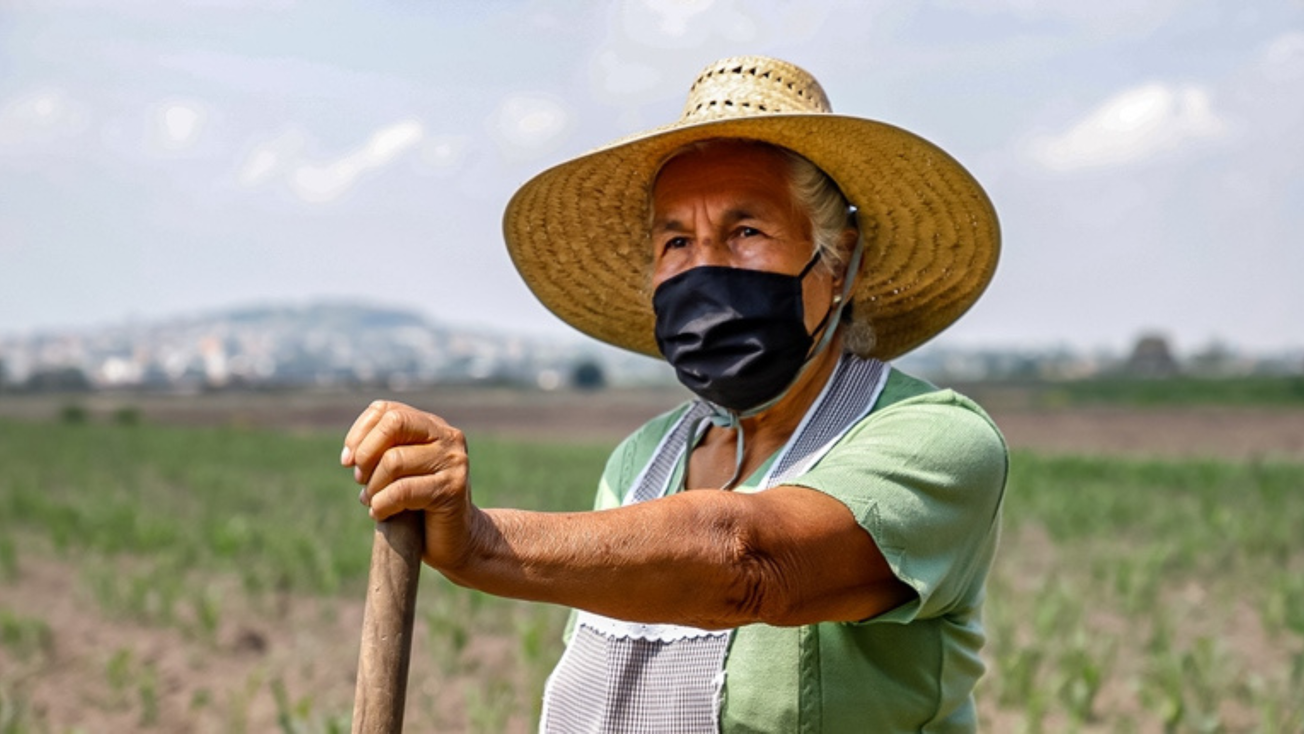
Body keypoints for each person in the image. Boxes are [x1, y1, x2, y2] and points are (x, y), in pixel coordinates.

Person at [341, 56, 1007, 732]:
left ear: (839, 261)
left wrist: (483, 542)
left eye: (746, 232)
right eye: (677, 241)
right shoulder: (641, 462)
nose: (706, 267)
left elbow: (749, 562)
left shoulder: (935, 441)